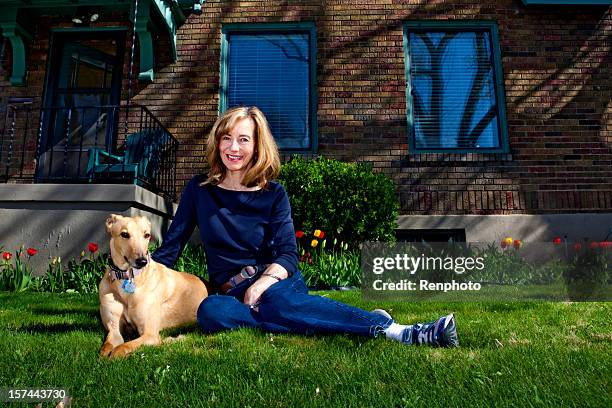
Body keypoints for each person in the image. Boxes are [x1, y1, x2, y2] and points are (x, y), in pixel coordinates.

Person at [152, 106, 458, 347]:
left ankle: (396, 330)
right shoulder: (199, 190)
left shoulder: (273, 194)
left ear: (257, 146)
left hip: (275, 280)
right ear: (217, 141)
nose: (234, 147)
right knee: (210, 312)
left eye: (244, 139)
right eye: (227, 138)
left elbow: (287, 253)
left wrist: (261, 285)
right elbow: (171, 248)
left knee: (278, 302)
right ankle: (310, 313)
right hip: (232, 294)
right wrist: (136, 283)